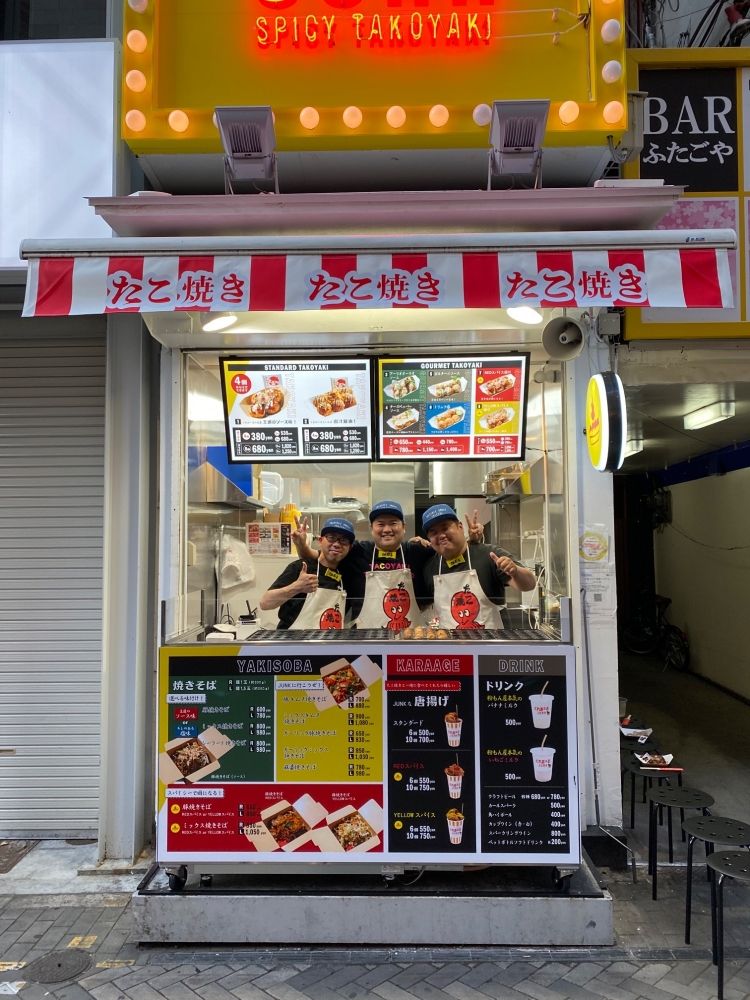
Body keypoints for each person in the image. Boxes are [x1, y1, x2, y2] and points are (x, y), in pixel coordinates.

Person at [293, 500, 485, 630]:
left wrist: (474, 540)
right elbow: (323, 556)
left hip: (411, 641)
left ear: (404, 527)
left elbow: (451, 549)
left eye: (393, 523)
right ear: (372, 529)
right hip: (367, 640)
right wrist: (302, 545)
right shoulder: (359, 551)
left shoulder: (417, 550)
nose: (387, 529)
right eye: (380, 524)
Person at [421, 503, 536, 630]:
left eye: (445, 528)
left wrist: (515, 571)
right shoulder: (430, 567)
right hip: (451, 647)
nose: (441, 535)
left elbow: (529, 584)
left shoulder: (489, 555)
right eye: (434, 532)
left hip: (490, 646)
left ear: (460, 527)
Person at [259, 517, 355, 630]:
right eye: (331, 538)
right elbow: (265, 603)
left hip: (329, 643)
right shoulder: (301, 567)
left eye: (343, 540)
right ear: (320, 541)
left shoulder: (348, 574)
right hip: (294, 643)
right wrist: (297, 587)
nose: (337, 544)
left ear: (350, 547)